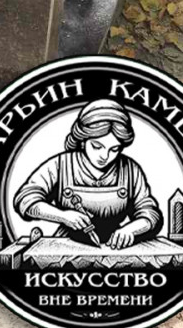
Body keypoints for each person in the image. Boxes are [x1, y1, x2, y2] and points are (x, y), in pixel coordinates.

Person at [13, 98, 162, 249]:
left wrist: (131, 229)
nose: (105, 156)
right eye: (97, 146)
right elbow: (25, 200)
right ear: (83, 140)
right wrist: (63, 216)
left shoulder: (130, 169)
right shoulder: (61, 165)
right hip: (66, 246)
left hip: (115, 247)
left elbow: (149, 212)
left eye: (114, 149)